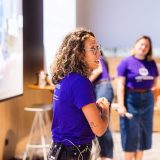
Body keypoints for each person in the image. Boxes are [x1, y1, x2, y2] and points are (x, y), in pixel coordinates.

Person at [47, 28, 110, 160]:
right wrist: (105, 111)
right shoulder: (80, 82)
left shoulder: (66, 78)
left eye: (98, 48)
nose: (98, 54)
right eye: (93, 49)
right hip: (72, 153)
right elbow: (99, 129)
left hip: (59, 150)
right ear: (79, 54)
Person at [116, 35, 159, 160]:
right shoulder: (126, 62)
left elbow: (156, 82)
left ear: (149, 49)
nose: (143, 47)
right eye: (141, 44)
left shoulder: (151, 63)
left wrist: (150, 94)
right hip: (130, 99)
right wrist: (121, 105)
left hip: (147, 100)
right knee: (130, 132)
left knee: (144, 132)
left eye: (147, 45)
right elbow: (120, 85)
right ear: (135, 45)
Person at [89, 51, 114, 160]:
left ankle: (106, 156)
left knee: (101, 121)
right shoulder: (101, 59)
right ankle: (103, 155)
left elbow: (99, 70)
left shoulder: (98, 58)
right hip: (100, 87)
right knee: (97, 122)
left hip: (102, 86)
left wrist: (85, 81)